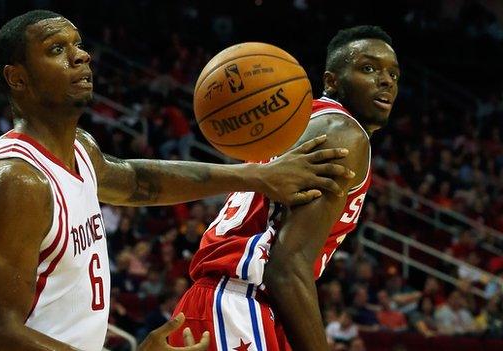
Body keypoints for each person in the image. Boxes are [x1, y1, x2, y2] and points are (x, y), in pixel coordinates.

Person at [0, 10, 354, 351]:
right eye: (56, 50)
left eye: (78, 45)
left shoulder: (79, 149)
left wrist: (257, 176)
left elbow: (137, 181)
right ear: (17, 78)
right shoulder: (15, 183)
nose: (80, 56)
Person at [170, 25, 400, 351]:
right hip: (240, 303)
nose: (386, 80)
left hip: (220, 303)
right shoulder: (343, 131)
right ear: (332, 81)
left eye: (394, 73)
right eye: (368, 68)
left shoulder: (297, 123)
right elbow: (286, 268)